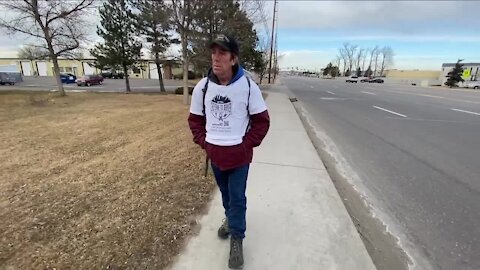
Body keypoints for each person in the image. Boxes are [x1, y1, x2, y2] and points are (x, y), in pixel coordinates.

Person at [188, 34, 270, 269]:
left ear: (233, 59)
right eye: (214, 52)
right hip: (216, 156)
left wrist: (245, 145)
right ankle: (230, 220)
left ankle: (237, 237)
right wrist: (205, 142)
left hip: (240, 157)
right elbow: (194, 120)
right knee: (226, 195)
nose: (216, 58)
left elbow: (262, 122)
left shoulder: (247, 86)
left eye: (222, 53)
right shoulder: (203, 88)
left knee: (237, 198)